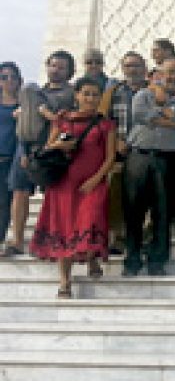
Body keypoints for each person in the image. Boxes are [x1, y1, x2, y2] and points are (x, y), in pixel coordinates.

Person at [29, 77, 116, 298]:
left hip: (92, 183)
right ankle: (64, 281)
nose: (90, 98)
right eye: (85, 93)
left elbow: (110, 158)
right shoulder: (63, 120)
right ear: (76, 95)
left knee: (91, 219)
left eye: (95, 94)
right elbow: (49, 146)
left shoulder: (106, 124)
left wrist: (96, 180)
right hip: (64, 185)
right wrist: (61, 144)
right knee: (64, 230)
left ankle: (91, 257)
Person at [122, 59, 175, 276]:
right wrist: (166, 115)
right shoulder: (143, 95)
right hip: (139, 157)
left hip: (168, 160)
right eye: (170, 72)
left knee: (163, 212)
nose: (174, 77)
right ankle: (132, 258)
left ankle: (157, 260)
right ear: (159, 74)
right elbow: (140, 115)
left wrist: (157, 116)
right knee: (134, 211)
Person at [4, 50, 76, 257]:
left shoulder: (69, 93)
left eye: (61, 67)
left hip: (51, 146)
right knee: (20, 190)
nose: (56, 70)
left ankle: (49, 240)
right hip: (27, 144)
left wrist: (38, 110)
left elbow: (60, 117)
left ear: (70, 71)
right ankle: (16, 239)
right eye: (53, 65)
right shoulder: (35, 93)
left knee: (52, 194)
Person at [98, 52, 148, 255]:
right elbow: (103, 121)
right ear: (122, 68)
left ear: (144, 68)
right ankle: (117, 237)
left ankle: (142, 236)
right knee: (117, 194)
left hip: (144, 151)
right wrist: (115, 141)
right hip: (119, 151)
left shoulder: (152, 91)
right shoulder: (113, 92)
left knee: (144, 195)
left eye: (136, 66)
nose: (132, 70)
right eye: (128, 66)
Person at [0, 62, 21, 246]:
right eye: (4, 77)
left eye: (13, 77)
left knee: (4, 202)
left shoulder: (22, 104)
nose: (9, 81)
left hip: (10, 159)